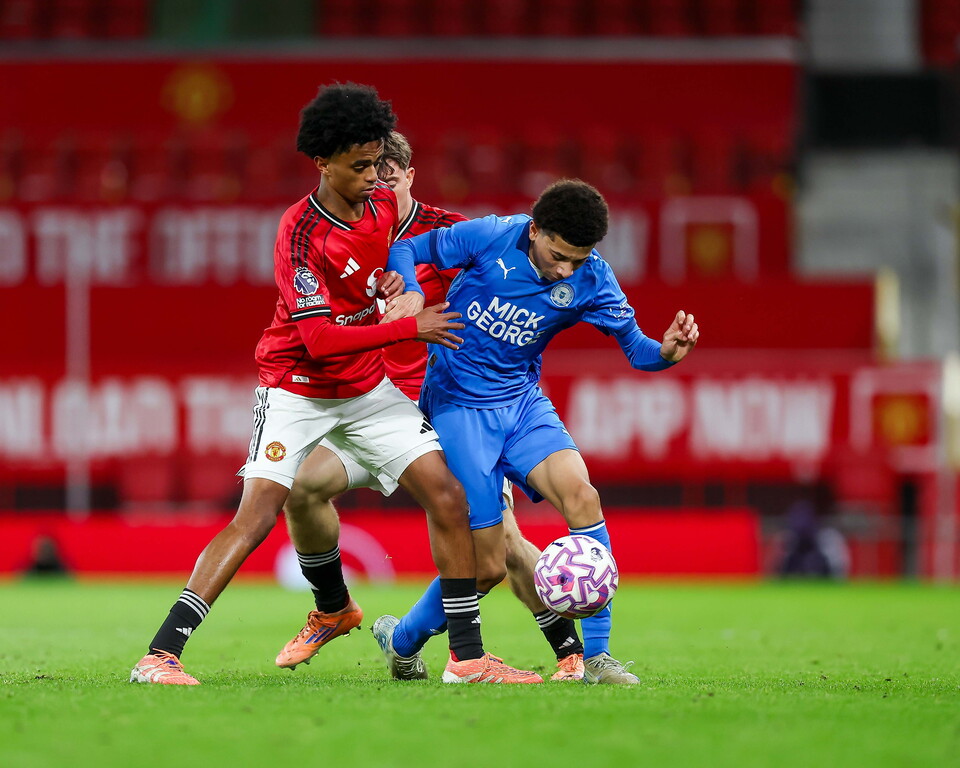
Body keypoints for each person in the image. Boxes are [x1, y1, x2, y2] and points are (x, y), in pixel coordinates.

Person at [130, 83, 537, 685]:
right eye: (360, 166)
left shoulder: (381, 207)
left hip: (367, 391)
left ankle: (467, 659)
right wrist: (411, 327)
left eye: (377, 163)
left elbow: (401, 257)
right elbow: (319, 340)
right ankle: (160, 654)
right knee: (257, 515)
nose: (374, 178)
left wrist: (399, 284)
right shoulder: (299, 234)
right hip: (296, 387)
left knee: (449, 497)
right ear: (322, 162)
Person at [275, 132, 587, 682]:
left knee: (502, 545)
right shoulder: (343, 234)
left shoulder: (449, 233)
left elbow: (513, 304)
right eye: (368, 176)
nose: (377, 189)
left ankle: (569, 652)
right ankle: (332, 608)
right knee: (301, 489)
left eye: (388, 178)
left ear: (410, 178)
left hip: (449, 410)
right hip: (378, 407)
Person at [377, 179, 700, 685]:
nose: (566, 270)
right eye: (558, 256)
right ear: (535, 231)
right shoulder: (489, 235)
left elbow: (636, 349)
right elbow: (406, 248)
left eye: (578, 259)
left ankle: (597, 658)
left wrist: (665, 353)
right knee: (488, 566)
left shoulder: (592, 277)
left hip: (523, 404)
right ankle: (401, 640)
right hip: (459, 408)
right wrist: (413, 291)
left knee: (583, 496)